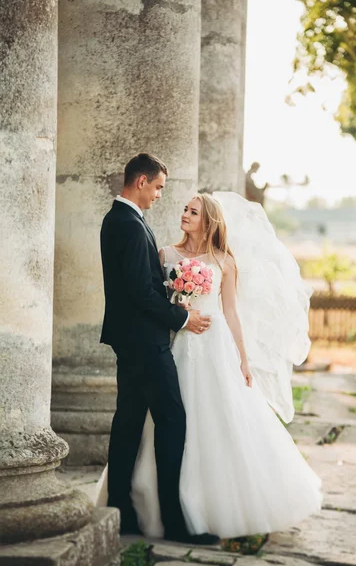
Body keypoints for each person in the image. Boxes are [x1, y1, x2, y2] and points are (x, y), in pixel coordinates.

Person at [96, 184, 323, 539]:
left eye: (193, 211)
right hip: (175, 343)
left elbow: (231, 312)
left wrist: (243, 359)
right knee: (167, 421)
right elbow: (154, 298)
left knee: (217, 416)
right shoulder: (165, 254)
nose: (184, 215)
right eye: (185, 209)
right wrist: (178, 310)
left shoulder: (224, 262)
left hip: (214, 345)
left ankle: (214, 504)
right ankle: (152, 509)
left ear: (209, 221)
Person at [99, 152, 219, 545]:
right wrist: (181, 318)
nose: (160, 196)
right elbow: (139, 293)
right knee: (172, 421)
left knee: (130, 422)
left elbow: (140, 287)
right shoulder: (130, 226)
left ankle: (122, 513)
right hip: (146, 343)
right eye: (159, 188)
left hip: (131, 340)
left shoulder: (120, 220)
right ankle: (174, 522)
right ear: (141, 182)